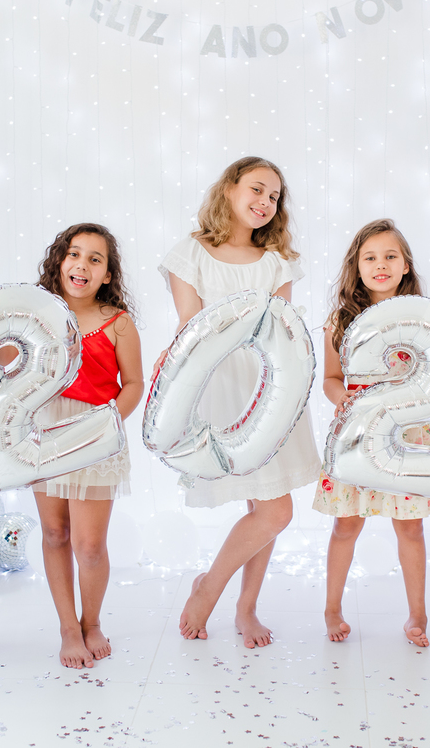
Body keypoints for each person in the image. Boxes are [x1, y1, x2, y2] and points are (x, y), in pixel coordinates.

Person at [158, 156, 321, 648]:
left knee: (269, 507)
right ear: (229, 188)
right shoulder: (191, 254)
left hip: (269, 387)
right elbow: (191, 325)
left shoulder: (276, 262)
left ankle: (243, 606)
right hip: (221, 386)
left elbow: (282, 329)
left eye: (274, 196)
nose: (265, 202)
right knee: (271, 510)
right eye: (256, 189)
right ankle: (212, 589)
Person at [313, 219, 430, 647]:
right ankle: (332, 608)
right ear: (356, 267)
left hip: (407, 434)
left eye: (391, 256)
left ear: (405, 265)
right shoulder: (341, 320)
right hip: (356, 434)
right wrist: (344, 399)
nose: (381, 265)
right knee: (346, 525)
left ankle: (418, 614)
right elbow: (331, 379)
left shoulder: (424, 318)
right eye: (370, 258)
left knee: (410, 527)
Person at [30, 223, 144, 670]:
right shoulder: (37, 314)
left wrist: (104, 426)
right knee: (54, 533)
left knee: (90, 545)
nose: (82, 265)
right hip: (44, 431)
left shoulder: (118, 323)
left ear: (107, 274)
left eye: (95, 259)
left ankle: (91, 621)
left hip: (95, 433)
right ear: (60, 262)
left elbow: (133, 384)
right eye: (74, 254)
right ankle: (67, 628)